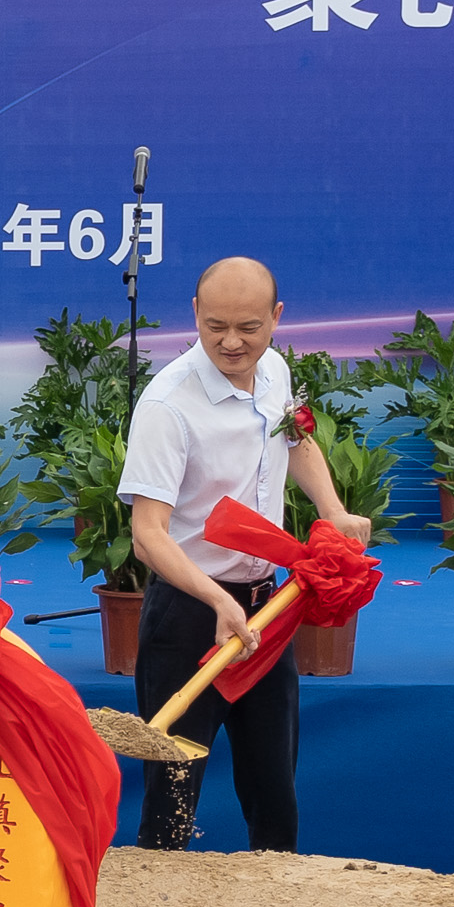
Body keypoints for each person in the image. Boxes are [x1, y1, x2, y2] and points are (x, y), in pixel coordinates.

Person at [116, 256, 370, 853]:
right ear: (195, 314)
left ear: (276, 319)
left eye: (249, 328)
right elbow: (147, 535)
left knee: (275, 788)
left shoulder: (275, 370)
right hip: (189, 613)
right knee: (172, 794)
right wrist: (212, 599)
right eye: (217, 327)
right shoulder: (167, 406)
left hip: (266, 608)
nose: (232, 343)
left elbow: (295, 438)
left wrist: (333, 511)